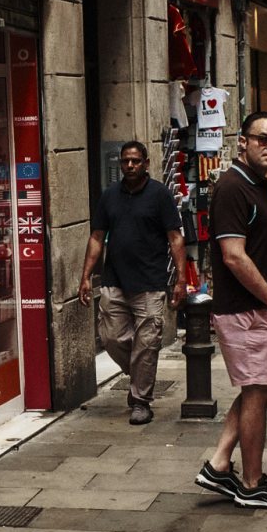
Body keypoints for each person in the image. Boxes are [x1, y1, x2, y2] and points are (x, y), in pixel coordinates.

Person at [194, 111, 267, 510]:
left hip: (258, 310)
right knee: (257, 391)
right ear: (242, 142)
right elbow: (234, 257)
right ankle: (252, 483)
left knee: (261, 386)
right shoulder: (231, 188)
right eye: (262, 139)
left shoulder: (256, 184)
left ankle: (220, 463)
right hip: (245, 310)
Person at [80, 139, 189, 425]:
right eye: (125, 161)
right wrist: (86, 276)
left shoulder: (160, 195)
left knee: (147, 343)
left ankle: (141, 400)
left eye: (135, 161)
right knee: (111, 338)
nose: (129, 166)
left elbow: (175, 238)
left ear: (146, 164)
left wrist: (181, 279)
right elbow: (96, 237)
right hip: (114, 280)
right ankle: (139, 375)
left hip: (151, 283)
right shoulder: (109, 196)